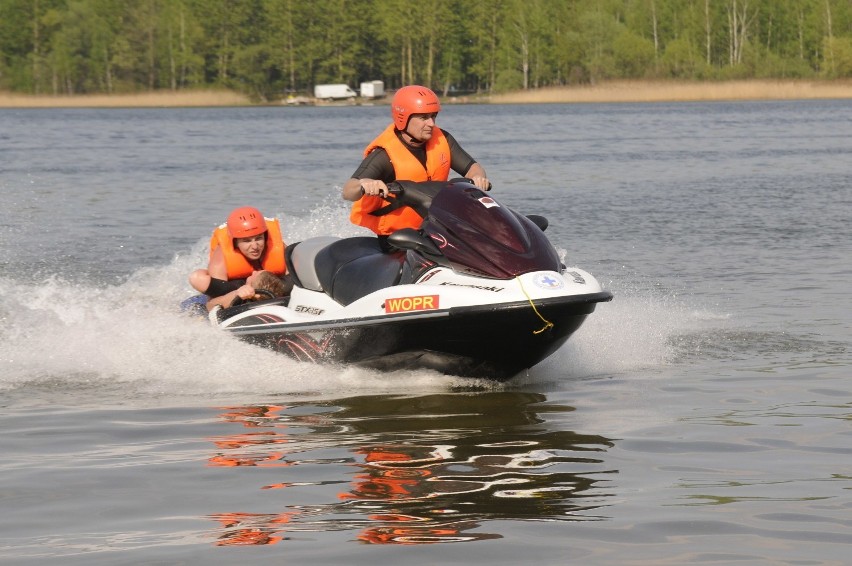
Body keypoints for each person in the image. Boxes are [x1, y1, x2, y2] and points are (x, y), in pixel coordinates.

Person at [341, 85, 489, 248]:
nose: (431, 123)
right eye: (423, 117)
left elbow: (473, 167)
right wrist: (365, 183)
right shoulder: (384, 155)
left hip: (435, 231)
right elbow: (348, 191)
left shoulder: (443, 140)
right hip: (398, 240)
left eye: (433, 116)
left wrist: (478, 177)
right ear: (403, 118)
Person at [188, 206, 287, 298]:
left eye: (258, 238)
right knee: (197, 278)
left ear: (265, 237)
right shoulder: (221, 260)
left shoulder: (277, 247)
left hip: (269, 285)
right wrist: (238, 293)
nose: (255, 246)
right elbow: (214, 300)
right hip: (236, 286)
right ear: (235, 242)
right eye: (246, 241)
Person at [205, 269, 290, 311]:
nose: (253, 271)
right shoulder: (240, 295)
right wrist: (236, 294)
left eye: (255, 274)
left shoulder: (243, 303)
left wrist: (237, 295)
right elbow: (209, 306)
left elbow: (210, 305)